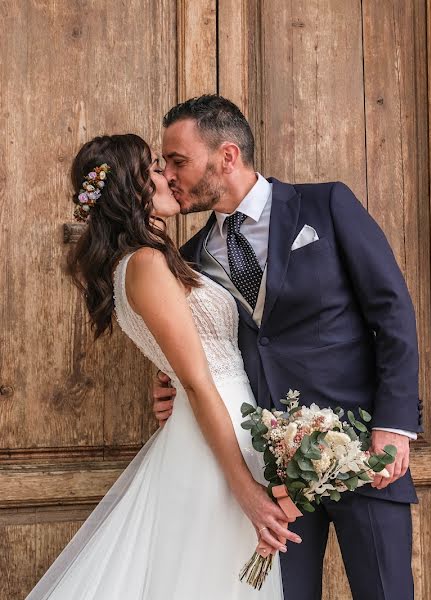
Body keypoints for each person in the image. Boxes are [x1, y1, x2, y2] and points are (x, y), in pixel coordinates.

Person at [151, 95, 422, 600]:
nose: (168, 174)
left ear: (227, 156)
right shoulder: (188, 260)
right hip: (270, 469)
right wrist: (175, 392)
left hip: (364, 448)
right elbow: (204, 352)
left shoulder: (327, 205)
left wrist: (394, 425)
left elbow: (393, 313)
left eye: (178, 160)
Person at [27, 134, 298, 599]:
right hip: (215, 448)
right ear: (130, 190)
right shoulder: (145, 264)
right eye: (153, 168)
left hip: (230, 430)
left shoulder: (158, 259)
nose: (167, 176)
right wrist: (246, 489)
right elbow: (195, 380)